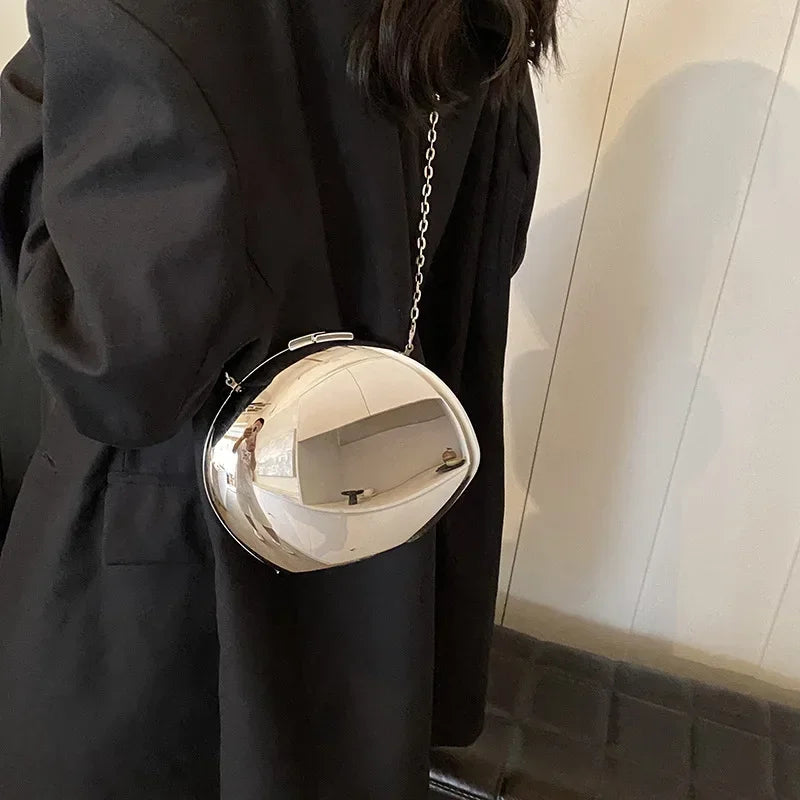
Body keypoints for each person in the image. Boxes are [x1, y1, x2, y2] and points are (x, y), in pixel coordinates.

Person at [0, 0, 558, 797]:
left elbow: (116, 366)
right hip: (374, 563)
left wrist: (32, 115)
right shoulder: (468, 16)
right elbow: (481, 266)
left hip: (165, 596)